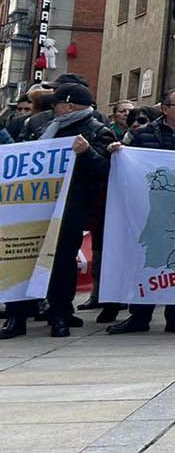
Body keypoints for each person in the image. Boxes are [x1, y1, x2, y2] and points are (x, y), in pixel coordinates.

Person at [1, 83, 116, 339]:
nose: (53, 108)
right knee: (23, 258)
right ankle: (16, 316)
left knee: (62, 264)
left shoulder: (98, 132)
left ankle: (60, 315)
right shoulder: (41, 128)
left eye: (56, 103)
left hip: (69, 210)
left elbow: (106, 172)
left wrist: (86, 153)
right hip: (32, 209)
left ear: (69, 105)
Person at [105, 90, 175, 335]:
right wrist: (118, 152)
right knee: (147, 260)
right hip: (150, 208)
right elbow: (129, 165)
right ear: (165, 109)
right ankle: (140, 315)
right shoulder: (143, 134)